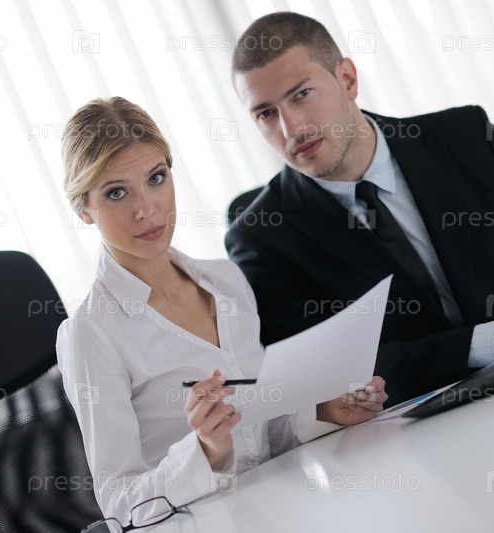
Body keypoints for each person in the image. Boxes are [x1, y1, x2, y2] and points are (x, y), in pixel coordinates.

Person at [225, 12, 494, 406]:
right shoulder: (260, 237)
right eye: (266, 113)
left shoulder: (466, 136)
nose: (291, 128)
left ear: (347, 79)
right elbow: (324, 380)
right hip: (414, 432)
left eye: (301, 95)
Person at [56, 96, 388, 524]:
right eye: (116, 192)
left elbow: (263, 434)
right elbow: (120, 505)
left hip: (284, 509)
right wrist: (205, 452)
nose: (146, 209)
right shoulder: (91, 333)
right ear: (83, 209)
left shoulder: (226, 281)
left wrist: (323, 412)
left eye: (156, 178)